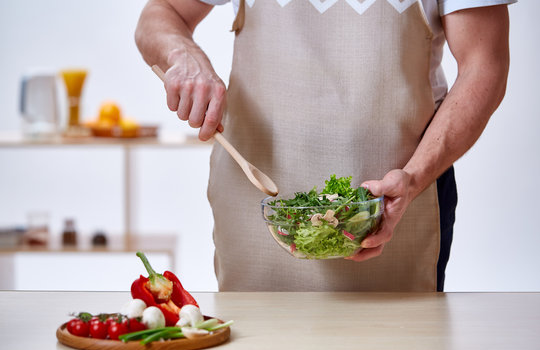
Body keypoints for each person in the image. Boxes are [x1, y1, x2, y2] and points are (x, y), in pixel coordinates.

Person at [135, 0, 514, 291]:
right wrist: (183, 54)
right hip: (251, 210)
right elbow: (162, 12)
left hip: (398, 204)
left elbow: (485, 64)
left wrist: (413, 178)